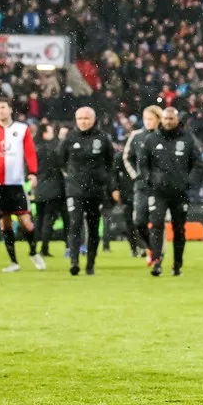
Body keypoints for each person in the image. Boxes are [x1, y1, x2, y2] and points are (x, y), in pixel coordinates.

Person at [0, 97, 44, 272]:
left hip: (16, 183)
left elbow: (30, 152)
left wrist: (32, 172)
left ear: (10, 109)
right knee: (5, 223)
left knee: (26, 221)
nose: (0, 111)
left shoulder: (22, 129)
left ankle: (33, 252)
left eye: (3, 107)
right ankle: (14, 262)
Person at [139, 107, 201, 277]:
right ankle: (157, 262)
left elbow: (197, 162)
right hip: (158, 192)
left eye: (171, 119)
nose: (168, 121)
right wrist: (148, 179)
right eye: (165, 119)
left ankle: (177, 264)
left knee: (179, 229)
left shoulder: (187, 139)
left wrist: (189, 181)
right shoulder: (151, 139)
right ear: (162, 120)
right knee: (156, 225)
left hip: (179, 193)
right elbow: (143, 162)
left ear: (176, 120)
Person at [59, 107, 119, 276]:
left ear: (93, 119)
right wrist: (72, 175)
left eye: (86, 118)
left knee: (93, 227)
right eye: (80, 118)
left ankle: (90, 264)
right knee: (75, 224)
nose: (83, 121)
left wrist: (103, 178)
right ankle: (74, 262)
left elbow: (111, 162)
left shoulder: (103, 138)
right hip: (75, 190)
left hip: (96, 190)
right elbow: (60, 159)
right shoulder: (70, 138)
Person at [123, 105, 162, 263]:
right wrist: (135, 175)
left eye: (151, 119)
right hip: (141, 186)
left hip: (159, 187)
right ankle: (150, 247)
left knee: (158, 221)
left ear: (158, 120)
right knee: (139, 220)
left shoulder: (164, 137)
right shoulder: (136, 136)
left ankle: (158, 254)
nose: (147, 122)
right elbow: (127, 157)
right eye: (145, 119)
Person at [34, 123, 65, 258]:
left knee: (38, 218)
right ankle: (44, 247)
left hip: (39, 188)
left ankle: (33, 246)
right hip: (53, 187)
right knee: (48, 218)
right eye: (51, 131)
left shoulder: (36, 149)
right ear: (45, 133)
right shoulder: (54, 149)